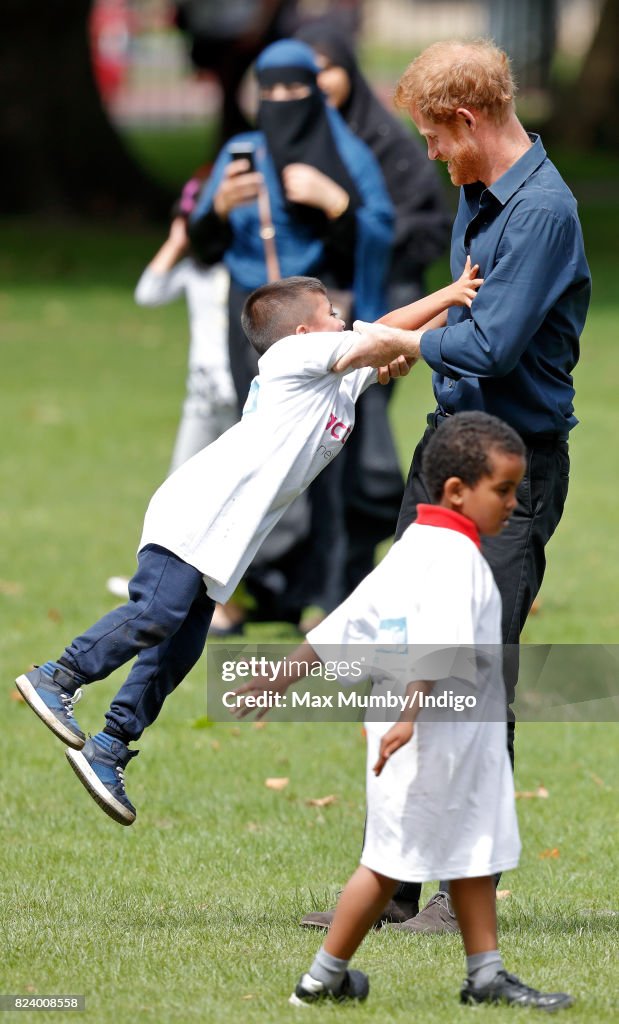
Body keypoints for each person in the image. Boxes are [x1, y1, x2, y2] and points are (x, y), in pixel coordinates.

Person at [15, 267, 481, 827]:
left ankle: (109, 746)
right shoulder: (287, 361)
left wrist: (450, 319)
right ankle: (59, 676)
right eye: (331, 314)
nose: (341, 319)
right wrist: (453, 294)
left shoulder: (331, 383)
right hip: (196, 514)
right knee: (157, 613)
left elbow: (385, 346)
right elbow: (381, 334)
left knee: (179, 648)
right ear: (306, 337)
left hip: (226, 539)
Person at [311, 37, 591, 934]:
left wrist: (402, 342)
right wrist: (433, 346)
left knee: (468, 673)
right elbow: (465, 317)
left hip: (508, 469)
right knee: (403, 658)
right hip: (447, 453)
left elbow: (492, 343)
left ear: (467, 121)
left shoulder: (543, 211)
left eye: (435, 137)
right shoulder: (476, 191)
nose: (430, 154)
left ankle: (459, 894)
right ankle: (393, 881)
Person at [233, 412, 572, 1012]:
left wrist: (275, 679)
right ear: (456, 491)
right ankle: (321, 978)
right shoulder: (457, 559)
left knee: (473, 853)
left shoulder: (415, 544)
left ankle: (485, 974)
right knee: (389, 863)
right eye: (504, 491)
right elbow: (434, 643)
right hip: (431, 733)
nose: (515, 505)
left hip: (446, 734)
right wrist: (412, 715)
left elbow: (347, 622)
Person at [188, 37, 398, 630]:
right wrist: (220, 209)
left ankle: (325, 592)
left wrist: (337, 203)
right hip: (256, 325)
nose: (281, 101)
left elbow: (381, 230)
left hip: (321, 319)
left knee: (327, 454)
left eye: (294, 88)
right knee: (256, 446)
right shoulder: (242, 150)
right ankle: (257, 589)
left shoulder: (347, 153)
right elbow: (203, 245)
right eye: (269, 89)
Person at [293, 22, 453, 597]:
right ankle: (295, 589)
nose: (312, 86)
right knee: (300, 459)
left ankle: (343, 589)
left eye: (323, 69)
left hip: (378, 315)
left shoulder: (384, 142)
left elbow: (425, 232)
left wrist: (340, 208)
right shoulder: (289, 140)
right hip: (303, 327)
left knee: (360, 461)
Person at [106, 176, 238, 602]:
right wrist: (178, 240)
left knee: (235, 495)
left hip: (243, 394)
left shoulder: (246, 266)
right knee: (178, 488)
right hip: (201, 398)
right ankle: (156, 582)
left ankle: (228, 590)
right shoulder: (194, 273)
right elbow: (147, 293)